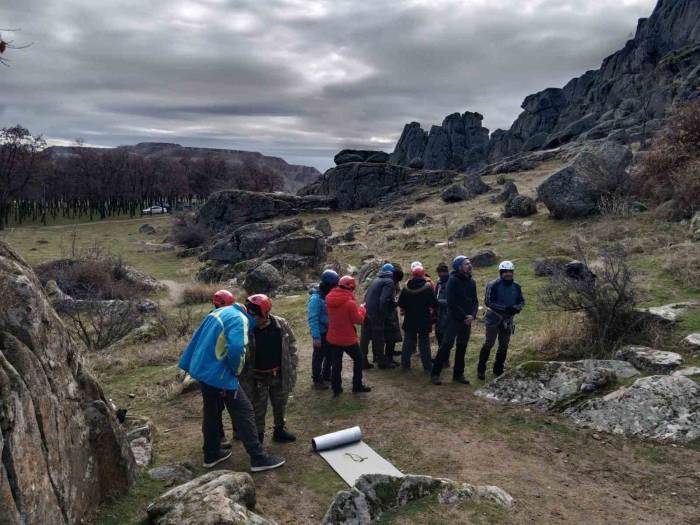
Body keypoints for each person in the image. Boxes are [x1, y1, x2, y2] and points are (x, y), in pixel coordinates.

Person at [178, 295, 285, 471]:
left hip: (201, 369)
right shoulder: (240, 319)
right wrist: (236, 371)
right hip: (217, 373)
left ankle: (211, 453)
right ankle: (258, 457)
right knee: (244, 410)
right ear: (260, 315)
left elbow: (199, 336)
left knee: (211, 410)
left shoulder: (221, 311)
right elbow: (236, 349)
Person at [239, 294, 298, 444]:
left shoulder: (281, 324)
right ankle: (258, 437)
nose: (251, 318)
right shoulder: (245, 329)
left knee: (280, 404)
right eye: (249, 314)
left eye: (254, 315)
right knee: (258, 409)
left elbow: (292, 345)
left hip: (278, 374)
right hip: (257, 378)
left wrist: (292, 366)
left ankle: (279, 431)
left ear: (264, 314)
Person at [430, 256, 478, 386]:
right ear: (459, 266)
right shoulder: (453, 281)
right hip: (454, 319)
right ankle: (435, 373)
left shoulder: (471, 282)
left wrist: (472, 316)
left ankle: (458, 374)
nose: (469, 265)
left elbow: (475, 301)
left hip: (467, 320)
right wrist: (464, 317)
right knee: (446, 345)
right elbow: (451, 302)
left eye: (469, 263)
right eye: (466, 264)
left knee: (462, 346)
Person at [477, 261, 525, 380]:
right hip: (493, 318)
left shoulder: (516, 286)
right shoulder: (493, 285)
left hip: (508, 320)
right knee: (489, 343)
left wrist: (517, 308)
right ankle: (481, 369)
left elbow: (522, 301)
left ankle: (498, 369)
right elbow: (488, 301)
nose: (508, 274)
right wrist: (505, 308)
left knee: (504, 345)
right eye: (505, 272)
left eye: (510, 272)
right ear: (501, 272)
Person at [326, 276, 371, 396]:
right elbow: (359, 320)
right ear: (350, 288)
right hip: (347, 338)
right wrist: (362, 309)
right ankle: (357, 386)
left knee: (336, 363)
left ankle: (336, 389)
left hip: (333, 337)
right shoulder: (349, 303)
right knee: (359, 359)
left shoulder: (329, 298)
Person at [398, 266, 438, 371]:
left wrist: (408, 308)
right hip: (424, 319)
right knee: (424, 342)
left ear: (412, 274)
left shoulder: (406, 287)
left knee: (407, 342)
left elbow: (400, 303)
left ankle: (405, 365)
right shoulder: (428, 287)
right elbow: (434, 303)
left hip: (410, 318)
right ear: (423, 274)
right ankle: (427, 365)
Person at [360, 263, 397, 369]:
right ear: (392, 272)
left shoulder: (375, 280)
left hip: (366, 310)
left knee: (365, 337)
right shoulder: (389, 282)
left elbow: (367, 295)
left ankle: (363, 360)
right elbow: (383, 299)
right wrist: (384, 313)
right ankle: (382, 361)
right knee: (379, 338)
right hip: (376, 313)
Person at [307, 269, 340, 389]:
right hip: (320, 332)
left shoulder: (327, 295)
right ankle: (317, 380)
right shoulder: (315, 299)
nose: (335, 288)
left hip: (329, 331)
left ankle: (326, 374)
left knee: (330, 354)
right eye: (333, 286)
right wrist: (316, 337)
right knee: (318, 357)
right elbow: (313, 319)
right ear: (327, 285)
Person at [382, 265, 404, 366]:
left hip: (387, 311)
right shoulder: (389, 284)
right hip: (388, 312)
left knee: (388, 335)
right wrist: (395, 303)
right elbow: (386, 299)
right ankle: (388, 358)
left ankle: (385, 356)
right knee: (391, 336)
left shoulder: (383, 280)